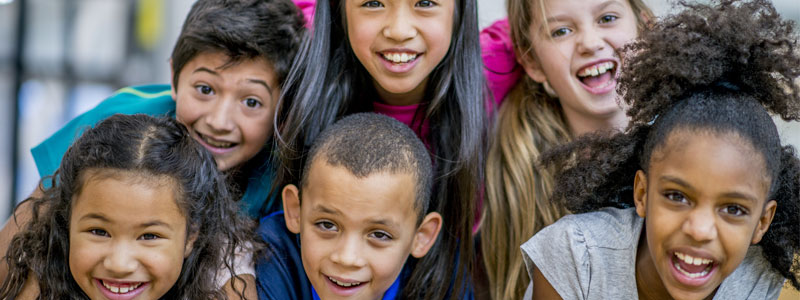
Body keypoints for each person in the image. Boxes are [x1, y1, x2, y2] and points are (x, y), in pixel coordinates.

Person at [0, 0, 304, 296]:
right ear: (174, 77)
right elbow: (22, 240)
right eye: (205, 89)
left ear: (283, 107)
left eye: (251, 102)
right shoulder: (121, 121)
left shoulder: (282, 170)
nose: (219, 121)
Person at [521, 0, 800, 298]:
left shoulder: (765, 280)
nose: (700, 230)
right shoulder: (577, 258)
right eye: (677, 196)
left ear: (762, 222)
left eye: (733, 209)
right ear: (641, 193)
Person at [273, 0, 486, 297]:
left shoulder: (496, 80)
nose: (399, 30)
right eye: (373, 2)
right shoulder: (290, 73)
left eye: (425, 2)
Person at [478, 0, 654, 298]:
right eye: (561, 31)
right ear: (532, 62)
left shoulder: (698, 133)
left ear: (645, 26)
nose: (589, 43)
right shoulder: (515, 175)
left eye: (607, 18)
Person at [0, 114, 257, 299]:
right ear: (67, 224)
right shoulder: (42, 283)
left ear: (191, 237)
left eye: (149, 236)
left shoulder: (222, 279)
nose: (119, 264)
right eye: (98, 231)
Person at [257, 113, 444, 300]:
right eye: (327, 225)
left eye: (379, 235)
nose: (347, 258)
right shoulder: (268, 256)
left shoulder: (443, 283)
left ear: (421, 237)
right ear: (295, 211)